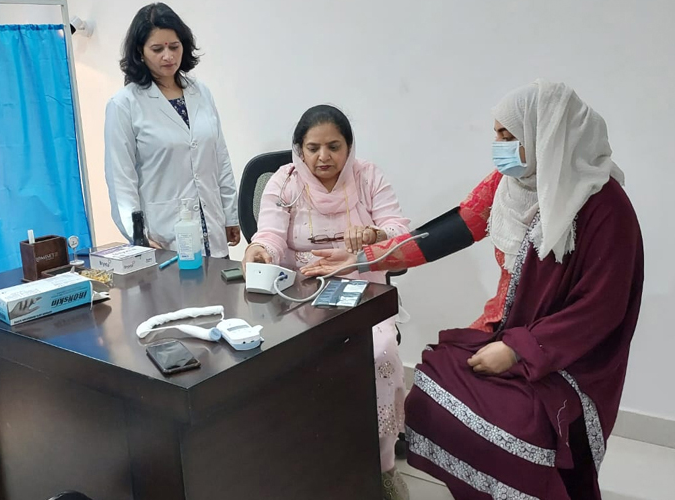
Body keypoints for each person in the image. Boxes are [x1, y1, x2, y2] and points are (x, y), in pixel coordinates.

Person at [302, 80, 644, 500]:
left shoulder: (605, 206)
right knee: (429, 395)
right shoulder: (509, 183)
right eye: (495, 133)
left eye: (507, 136)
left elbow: (601, 308)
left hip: (565, 354)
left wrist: (520, 350)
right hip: (505, 328)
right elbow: (445, 234)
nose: (497, 146)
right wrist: (359, 260)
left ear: (547, 136)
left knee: (511, 425)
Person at [242, 104, 412, 500]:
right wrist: (259, 252)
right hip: (298, 294)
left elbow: (398, 229)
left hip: (361, 289)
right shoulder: (282, 183)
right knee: (287, 360)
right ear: (299, 150)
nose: (323, 157)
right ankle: (305, 455)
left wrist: (373, 235)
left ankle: (383, 464)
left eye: (334, 146)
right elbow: (269, 234)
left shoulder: (368, 177)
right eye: (313, 147)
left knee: (381, 352)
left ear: (349, 148)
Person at [104, 2, 239, 257]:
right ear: (140, 52)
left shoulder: (201, 93)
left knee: (221, 295)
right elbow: (121, 179)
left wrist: (231, 214)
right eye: (157, 49)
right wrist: (138, 235)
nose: (168, 56)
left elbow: (220, 158)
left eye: (174, 47)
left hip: (213, 229)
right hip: (162, 236)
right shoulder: (124, 105)